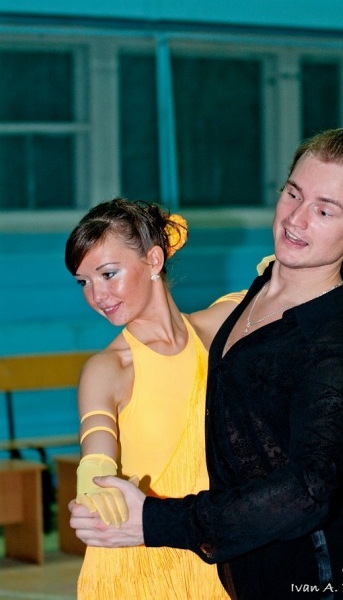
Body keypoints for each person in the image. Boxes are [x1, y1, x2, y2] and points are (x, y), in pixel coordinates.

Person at [69, 129, 343, 599]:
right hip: (223, 567)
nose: (296, 219)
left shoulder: (334, 343)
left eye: (325, 210)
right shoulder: (246, 303)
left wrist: (157, 521)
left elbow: (309, 490)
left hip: (309, 575)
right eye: (293, 194)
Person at [65, 198, 245, 599]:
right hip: (136, 567)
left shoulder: (217, 328)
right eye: (83, 282)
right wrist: (93, 483)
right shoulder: (109, 368)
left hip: (213, 556)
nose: (97, 295)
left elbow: (280, 285)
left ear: (154, 260)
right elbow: (96, 453)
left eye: (108, 274)